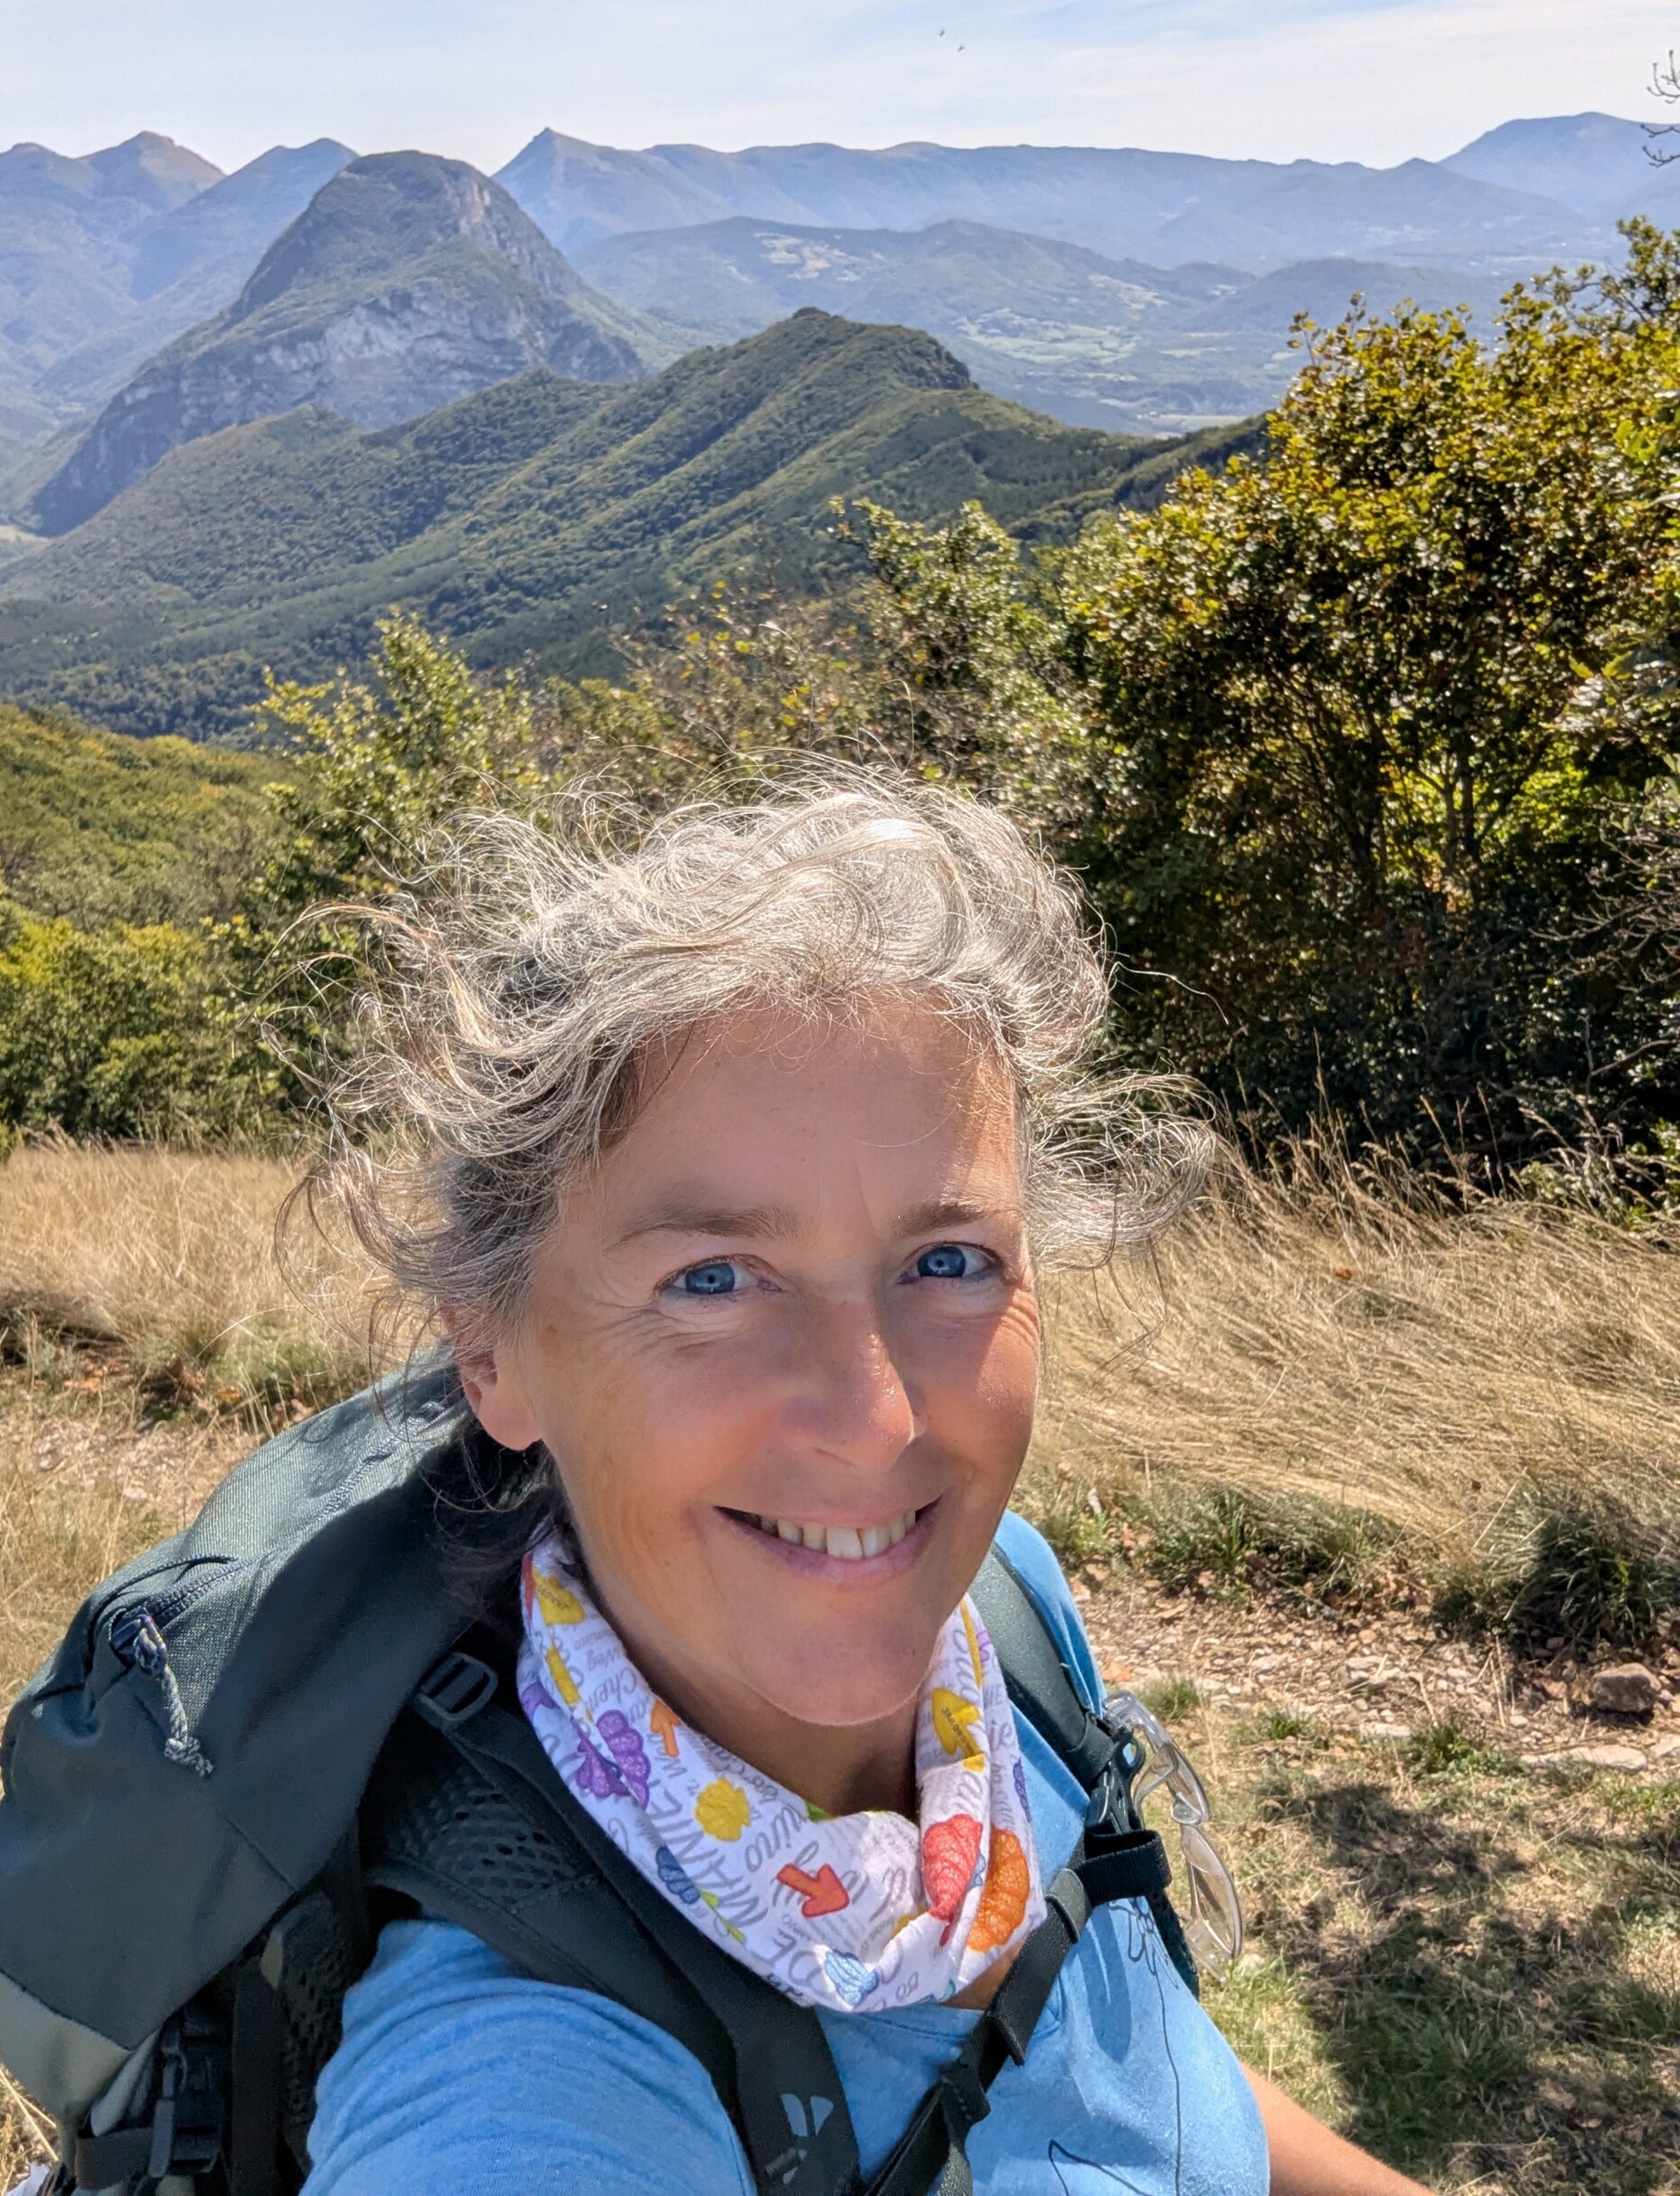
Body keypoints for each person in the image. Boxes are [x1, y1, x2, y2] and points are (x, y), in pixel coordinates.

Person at [302, 775, 1432, 2196]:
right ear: (493, 1353)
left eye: (947, 1261)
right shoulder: (517, 2085)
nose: (876, 1420)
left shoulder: (1000, 1614)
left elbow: (1117, 2054)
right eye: (711, 1280)